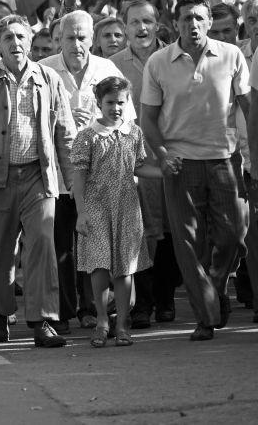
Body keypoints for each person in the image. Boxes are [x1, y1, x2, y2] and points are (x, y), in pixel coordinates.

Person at [143, 0, 249, 341]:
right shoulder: (158, 62)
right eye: (187, 18)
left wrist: (252, 154)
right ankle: (205, 316)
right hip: (180, 163)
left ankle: (215, 289)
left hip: (225, 160)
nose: (193, 24)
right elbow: (148, 119)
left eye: (200, 18)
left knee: (233, 237)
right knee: (189, 244)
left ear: (209, 21)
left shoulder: (231, 55)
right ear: (176, 23)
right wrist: (162, 154)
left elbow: (248, 107)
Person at [0, 14, 74, 349]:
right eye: (8, 38)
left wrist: (74, 183)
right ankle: (0, 314)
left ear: (30, 41)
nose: (15, 43)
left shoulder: (48, 78)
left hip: (38, 177)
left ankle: (42, 321)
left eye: (20, 37)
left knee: (42, 244)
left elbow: (65, 133)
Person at [40, 11, 133, 333]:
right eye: (70, 37)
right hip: (57, 174)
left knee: (93, 245)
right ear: (59, 39)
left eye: (82, 38)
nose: (76, 44)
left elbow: (126, 120)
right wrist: (63, 117)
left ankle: (91, 308)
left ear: (92, 39)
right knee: (61, 247)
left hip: (99, 177)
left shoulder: (107, 69)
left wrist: (95, 121)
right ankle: (63, 312)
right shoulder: (44, 70)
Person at [71, 76, 169, 349]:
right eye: (110, 102)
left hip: (127, 208)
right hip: (96, 208)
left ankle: (123, 324)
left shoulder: (134, 133)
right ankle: (102, 321)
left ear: (128, 103)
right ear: (99, 103)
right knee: (99, 266)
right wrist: (81, 212)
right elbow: (78, 177)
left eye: (121, 102)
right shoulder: (87, 136)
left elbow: (138, 167)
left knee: (125, 268)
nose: (116, 108)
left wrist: (163, 172)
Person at [110, 0, 181, 327]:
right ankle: (143, 304)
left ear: (158, 25)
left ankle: (167, 298)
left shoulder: (174, 58)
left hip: (171, 155)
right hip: (131, 162)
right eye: (134, 22)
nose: (142, 28)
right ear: (124, 28)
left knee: (172, 228)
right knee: (140, 233)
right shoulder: (112, 65)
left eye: (147, 21)